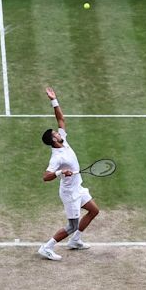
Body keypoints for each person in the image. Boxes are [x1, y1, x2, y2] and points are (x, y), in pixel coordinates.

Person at [38, 87, 100, 261]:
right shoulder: (56, 157)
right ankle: (46, 247)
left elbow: (61, 118)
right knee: (72, 225)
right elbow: (45, 176)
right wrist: (60, 172)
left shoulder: (63, 141)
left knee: (94, 211)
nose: (59, 132)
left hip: (77, 187)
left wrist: (54, 100)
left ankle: (75, 241)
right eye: (56, 133)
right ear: (53, 140)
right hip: (69, 194)